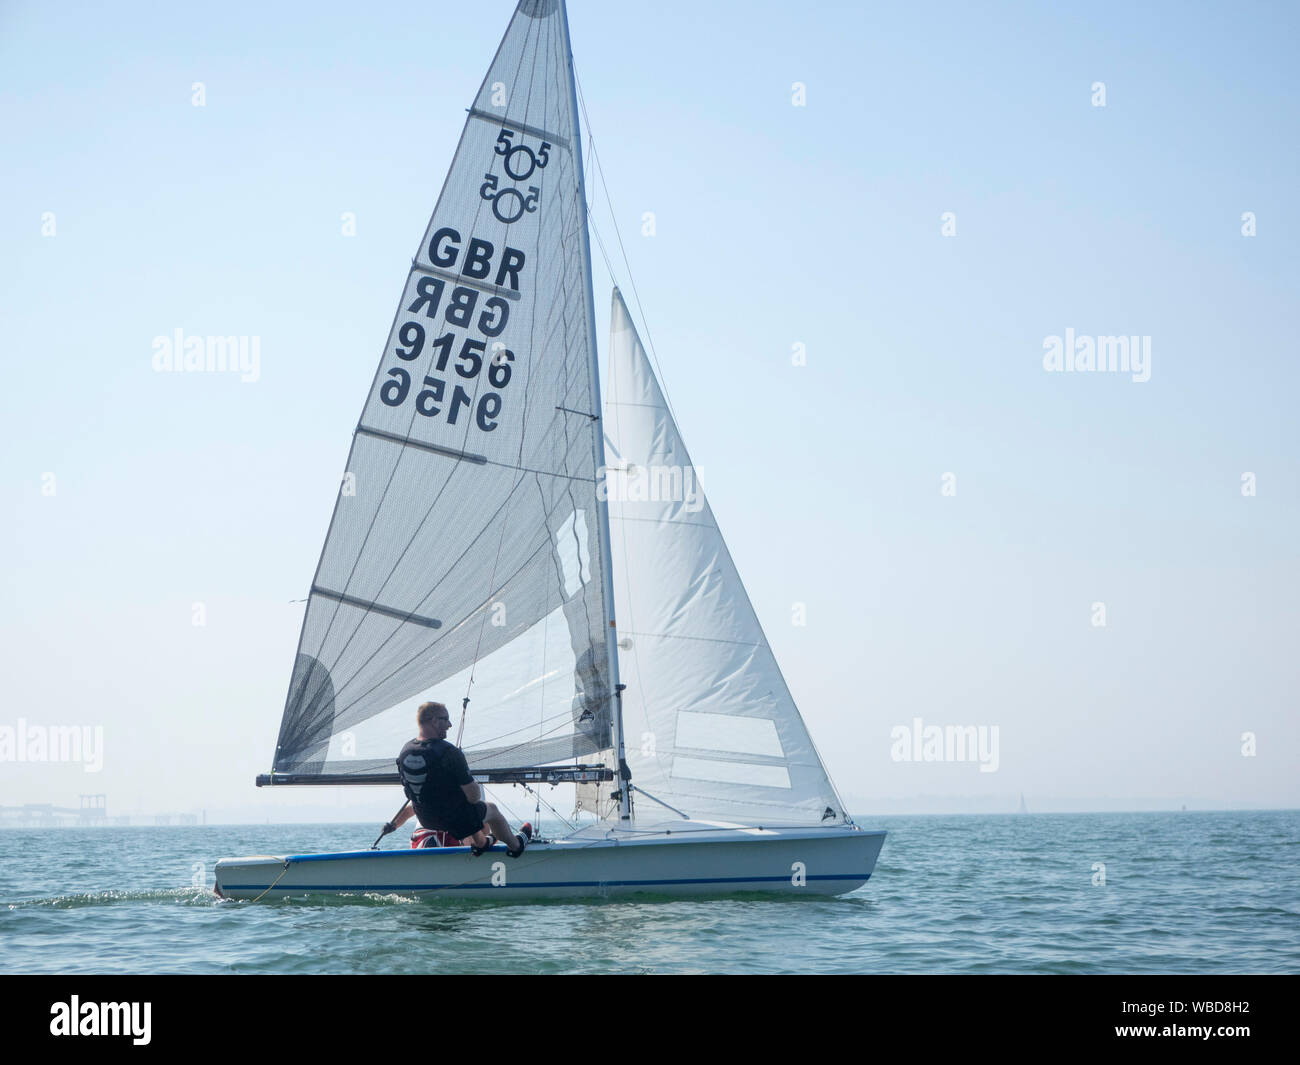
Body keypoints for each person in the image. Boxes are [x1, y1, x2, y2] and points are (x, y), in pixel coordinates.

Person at [385, 701, 531, 857]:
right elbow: (474, 797)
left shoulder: (404, 752)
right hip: (454, 820)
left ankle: (483, 842)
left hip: (426, 819)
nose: (450, 724)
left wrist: (392, 825)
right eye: (446, 719)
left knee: (462, 807)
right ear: (434, 721)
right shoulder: (449, 752)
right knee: (491, 810)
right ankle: (516, 846)